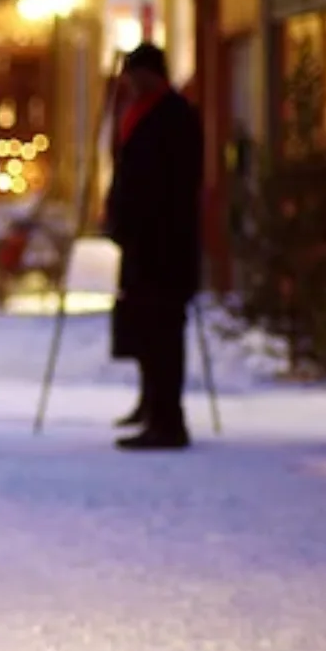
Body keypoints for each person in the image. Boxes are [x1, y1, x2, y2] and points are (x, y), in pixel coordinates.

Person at [103, 42, 204, 450]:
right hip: (142, 243)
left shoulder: (175, 116)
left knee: (163, 332)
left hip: (166, 243)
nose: (130, 82)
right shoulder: (137, 112)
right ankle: (150, 404)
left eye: (135, 75)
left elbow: (174, 182)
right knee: (144, 327)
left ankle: (168, 419)